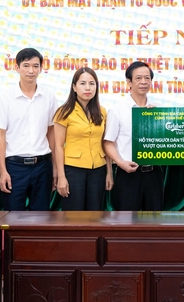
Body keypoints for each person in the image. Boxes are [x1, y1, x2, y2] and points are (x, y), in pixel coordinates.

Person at [0, 48, 59, 211]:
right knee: (13, 217)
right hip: (14, 167)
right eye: (26, 65)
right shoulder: (5, 98)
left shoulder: (49, 96)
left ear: (41, 69)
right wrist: (3, 171)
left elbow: (51, 133)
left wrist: (55, 168)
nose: (31, 70)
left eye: (35, 66)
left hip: (42, 166)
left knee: (41, 217)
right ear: (17, 67)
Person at [104, 61, 164, 211]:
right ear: (129, 82)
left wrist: (158, 119)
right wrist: (120, 162)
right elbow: (108, 143)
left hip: (154, 173)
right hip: (128, 173)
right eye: (138, 78)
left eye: (147, 78)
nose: (143, 82)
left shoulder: (158, 110)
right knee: (127, 222)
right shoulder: (117, 110)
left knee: (154, 221)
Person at [53, 68, 113, 210]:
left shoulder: (102, 111)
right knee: (74, 215)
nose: (88, 88)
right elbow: (58, 146)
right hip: (73, 170)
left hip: (98, 169)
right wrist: (61, 177)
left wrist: (109, 173)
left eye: (92, 84)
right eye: (83, 83)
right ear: (74, 87)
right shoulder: (64, 111)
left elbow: (105, 144)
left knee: (95, 213)